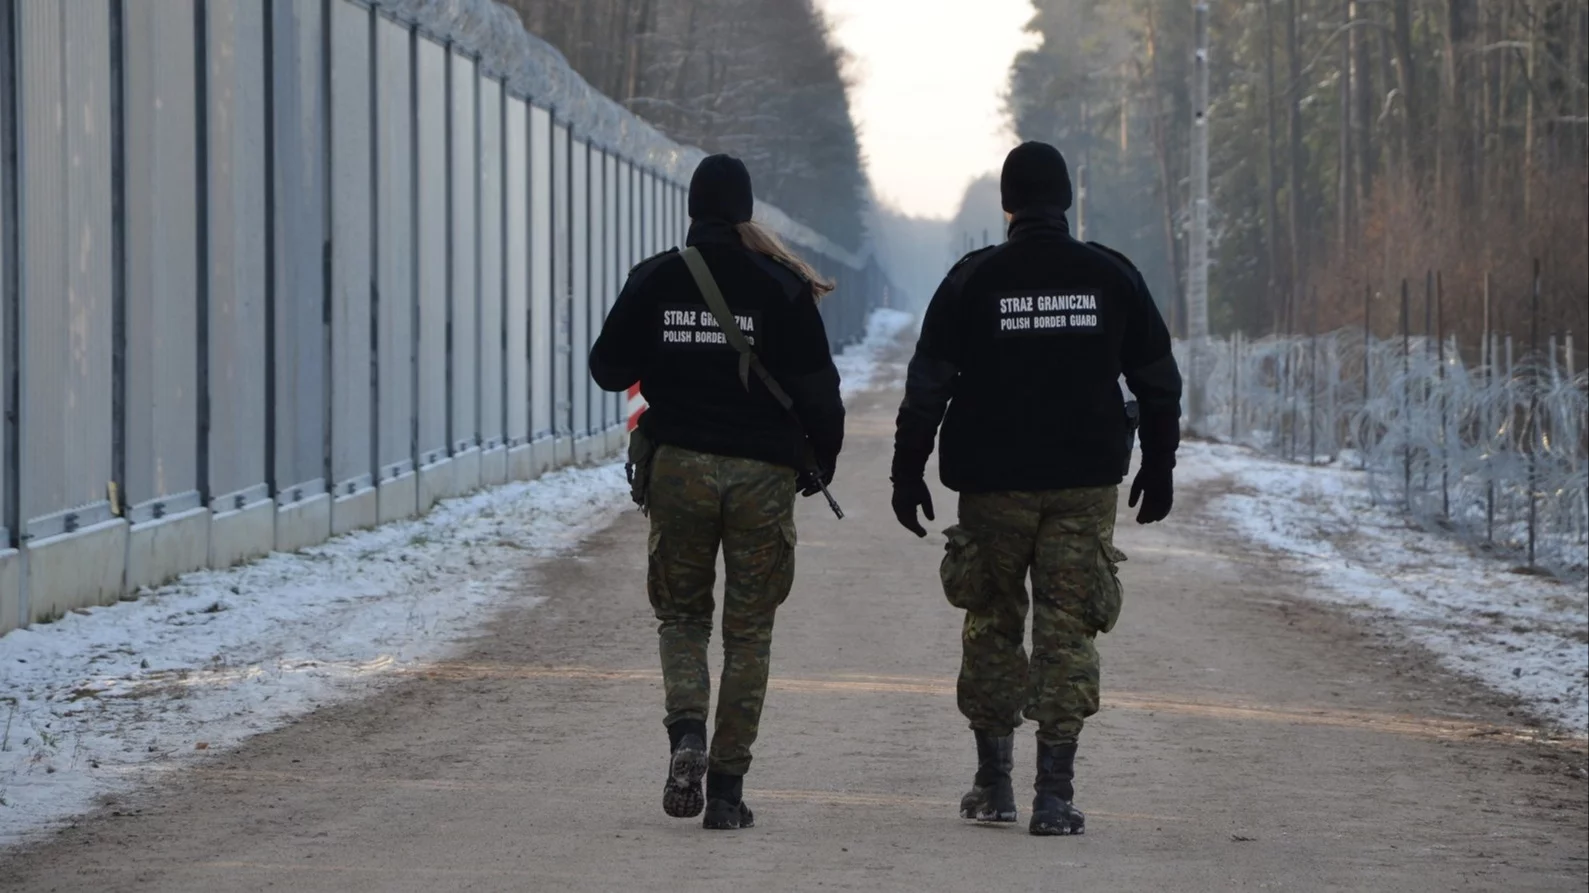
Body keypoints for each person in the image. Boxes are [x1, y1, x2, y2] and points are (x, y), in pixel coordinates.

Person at [888, 141, 1181, 836]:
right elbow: (1157, 378)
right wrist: (1160, 461)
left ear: (1006, 203)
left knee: (991, 620)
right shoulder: (1111, 276)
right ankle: (1054, 792)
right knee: (1067, 628)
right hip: (1082, 483)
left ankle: (993, 784)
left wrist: (907, 470)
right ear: (1067, 201)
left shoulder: (973, 279)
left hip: (993, 486)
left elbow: (928, 382)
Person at [589, 154, 845, 831]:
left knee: (681, 618)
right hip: (762, 475)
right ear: (745, 212)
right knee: (749, 632)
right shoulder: (779, 284)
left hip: (678, 468)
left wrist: (667, 352)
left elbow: (605, 367)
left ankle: (686, 738)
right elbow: (821, 391)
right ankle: (727, 792)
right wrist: (822, 462)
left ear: (692, 207)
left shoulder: (655, 277)